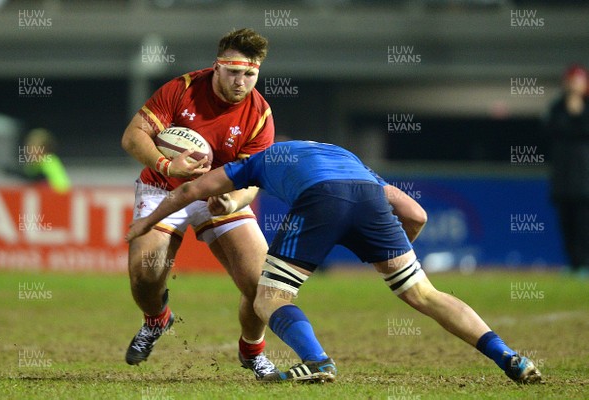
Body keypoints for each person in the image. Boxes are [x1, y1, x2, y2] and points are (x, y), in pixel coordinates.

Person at [125, 140, 542, 384]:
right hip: (369, 201)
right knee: (424, 294)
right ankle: (509, 357)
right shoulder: (346, 157)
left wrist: (145, 221)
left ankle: (316, 361)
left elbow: (186, 194)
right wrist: (385, 254)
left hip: (320, 201)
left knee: (268, 299)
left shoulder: (256, 161)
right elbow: (417, 214)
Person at [121, 28, 279, 378]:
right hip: (163, 188)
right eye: (234, 72)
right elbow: (132, 136)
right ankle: (157, 320)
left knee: (262, 284)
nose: (241, 81)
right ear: (216, 67)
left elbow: (254, 181)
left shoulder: (260, 116)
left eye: (250, 74)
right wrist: (167, 165)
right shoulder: (182, 89)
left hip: (216, 196)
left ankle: (252, 352)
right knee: (144, 275)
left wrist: (233, 202)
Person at [544, 64, 589, 275]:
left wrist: (578, 112)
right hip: (563, 179)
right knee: (567, 224)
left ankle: (584, 264)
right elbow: (550, 131)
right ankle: (573, 264)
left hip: (584, 180)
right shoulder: (557, 108)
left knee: (583, 225)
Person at [6, 128, 70, 194]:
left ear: (45, 148)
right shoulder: (34, 164)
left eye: (34, 146)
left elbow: (61, 187)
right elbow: (28, 175)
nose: (29, 150)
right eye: (28, 146)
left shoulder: (50, 161)